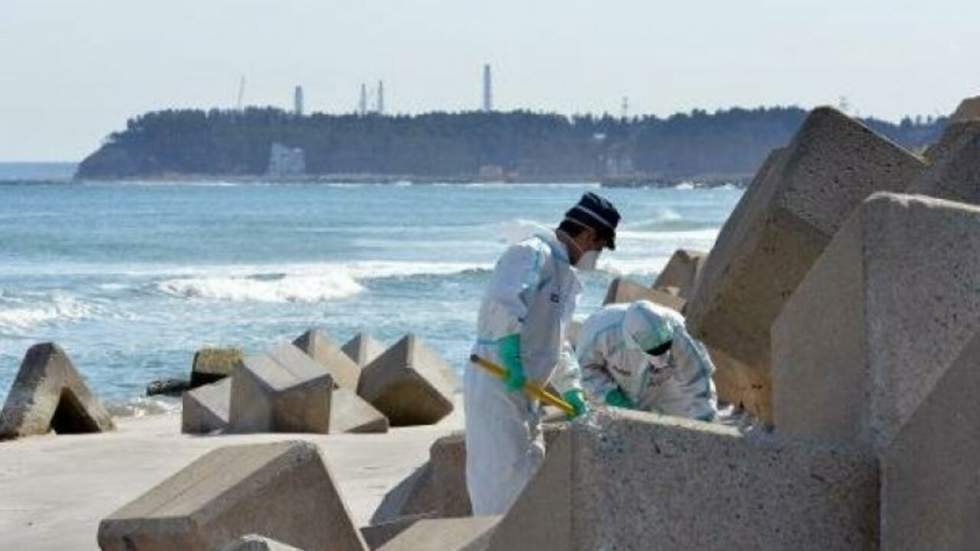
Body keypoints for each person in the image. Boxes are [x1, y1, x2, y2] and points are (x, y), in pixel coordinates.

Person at [465, 192, 621, 515]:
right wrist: (509, 352)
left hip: (526, 390)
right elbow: (502, 301)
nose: (597, 255)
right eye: (600, 246)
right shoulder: (531, 253)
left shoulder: (567, 278)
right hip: (497, 379)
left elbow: (558, 342)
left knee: (529, 472)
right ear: (588, 235)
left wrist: (572, 389)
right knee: (500, 478)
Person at [577, 299, 718, 422]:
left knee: (691, 423)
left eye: (664, 348)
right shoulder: (599, 332)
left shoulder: (680, 332)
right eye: (654, 351)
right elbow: (584, 370)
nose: (660, 361)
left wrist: (704, 416)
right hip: (618, 386)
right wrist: (609, 395)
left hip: (666, 384)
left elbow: (697, 378)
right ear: (634, 341)